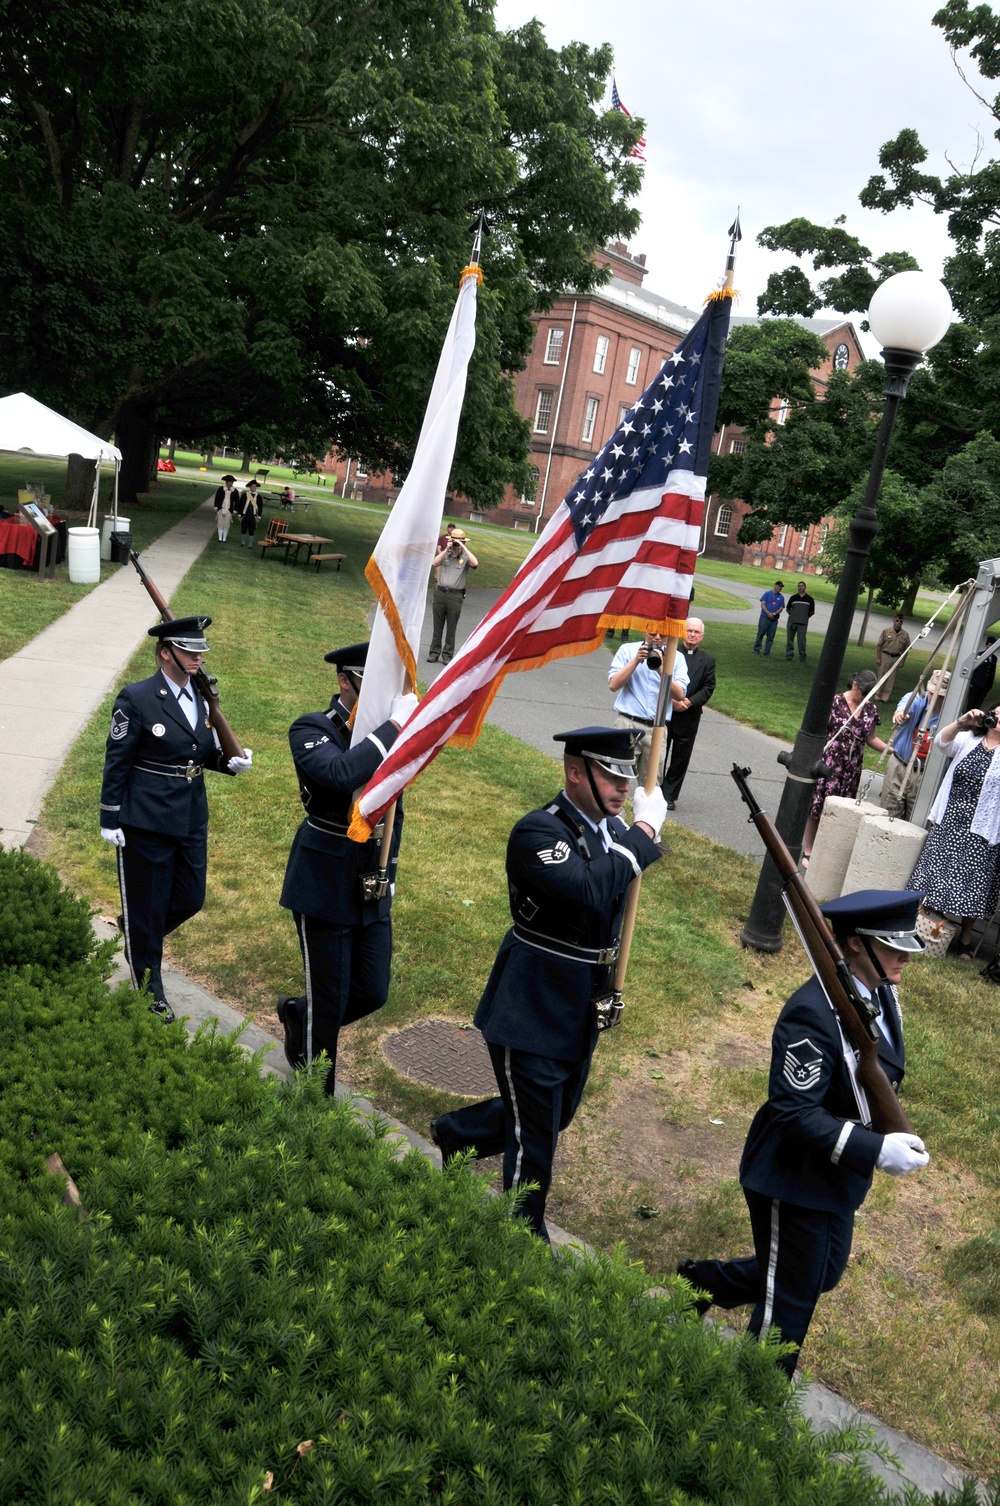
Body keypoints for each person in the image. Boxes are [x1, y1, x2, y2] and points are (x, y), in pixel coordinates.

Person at [677, 889, 929, 1379]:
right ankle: (751, 1405)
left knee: (821, 1274)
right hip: (790, 1176)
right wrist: (875, 1149)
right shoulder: (813, 1013)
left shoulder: (879, 990)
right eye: (893, 946)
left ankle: (704, 1282)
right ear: (855, 944)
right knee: (790, 1300)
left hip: (836, 1176)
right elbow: (793, 1111)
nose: (905, 956)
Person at [429, 728, 667, 1239]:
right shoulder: (538, 832)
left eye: (628, 777)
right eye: (610, 774)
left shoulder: (608, 833)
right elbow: (587, 889)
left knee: (553, 1117)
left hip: (580, 1003)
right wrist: (642, 834)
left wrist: (631, 836)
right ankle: (521, 1242)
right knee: (535, 1141)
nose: (623, 787)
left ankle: (456, 1135)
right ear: (575, 772)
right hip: (532, 1004)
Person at [277, 643, 419, 1096]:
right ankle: (317, 1101)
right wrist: (394, 726)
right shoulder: (312, 728)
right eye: (374, 682)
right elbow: (340, 774)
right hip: (325, 878)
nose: (383, 694)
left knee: (371, 990)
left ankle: (301, 1014)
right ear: (345, 680)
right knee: (330, 995)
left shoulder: (386, 736)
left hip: (372, 879)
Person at [99, 617, 253, 1021]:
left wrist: (227, 761)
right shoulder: (137, 698)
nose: (198, 657)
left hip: (189, 815)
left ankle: (138, 935)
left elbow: (197, 752)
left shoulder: (200, 698)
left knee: (190, 898)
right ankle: (151, 992)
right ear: (165, 652)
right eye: (188, 650)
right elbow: (117, 761)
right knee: (148, 904)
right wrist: (109, 816)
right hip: (146, 818)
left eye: (201, 651)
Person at [909, 706, 1000, 961]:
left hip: (983, 828)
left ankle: (965, 938)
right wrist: (962, 721)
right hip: (950, 818)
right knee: (937, 872)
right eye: (996, 713)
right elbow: (941, 742)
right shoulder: (968, 739)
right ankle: (926, 925)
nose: (998, 718)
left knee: (972, 883)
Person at [803, 670, 886, 865]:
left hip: (851, 768)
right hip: (830, 764)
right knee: (818, 805)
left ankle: (828, 849)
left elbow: (870, 738)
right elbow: (819, 731)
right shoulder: (833, 702)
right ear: (855, 685)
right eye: (865, 692)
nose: (867, 697)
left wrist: (890, 749)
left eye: (871, 693)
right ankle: (809, 850)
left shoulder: (870, 709)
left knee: (841, 808)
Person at [608, 630, 689, 787]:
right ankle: (616, 812)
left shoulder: (677, 658)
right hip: (628, 724)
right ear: (645, 631)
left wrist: (661, 668)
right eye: (653, 633)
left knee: (651, 786)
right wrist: (636, 660)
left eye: (663, 635)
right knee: (616, 780)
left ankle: (644, 812)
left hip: (656, 729)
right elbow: (613, 685)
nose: (657, 638)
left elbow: (680, 694)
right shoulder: (627, 650)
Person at [881, 670, 949, 821]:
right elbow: (905, 706)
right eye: (933, 693)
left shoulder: (950, 716)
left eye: (941, 696)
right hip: (899, 765)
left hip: (926, 773)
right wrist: (900, 713)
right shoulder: (917, 699)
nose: (935, 698)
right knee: (887, 814)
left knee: (917, 820)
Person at [661, 618, 715, 810]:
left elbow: (709, 687)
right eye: (689, 631)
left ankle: (669, 795)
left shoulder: (708, 660)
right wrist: (673, 701)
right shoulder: (670, 653)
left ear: (702, 636)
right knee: (660, 753)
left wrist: (689, 702)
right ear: (683, 632)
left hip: (689, 716)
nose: (692, 635)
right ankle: (656, 790)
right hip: (667, 712)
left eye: (696, 632)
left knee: (680, 758)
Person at [428, 528, 478, 664]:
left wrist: (462, 547)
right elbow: (434, 563)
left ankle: (447, 655)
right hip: (440, 594)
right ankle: (434, 653)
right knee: (437, 625)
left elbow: (475, 563)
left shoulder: (465, 557)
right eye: (454, 540)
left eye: (458, 541)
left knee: (451, 627)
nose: (455, 544)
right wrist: (446, 549)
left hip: (455, 597)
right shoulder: (446, 554)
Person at [875, 614, 911, 701]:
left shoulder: (905, 635)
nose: (898, 623)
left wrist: (902, 661)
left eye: (901, 621)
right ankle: (877, 694)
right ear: (894, 620)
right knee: (881, 675)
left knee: (891, 678)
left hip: (896, 658)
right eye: (897, 620)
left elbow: (907, 649)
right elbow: (879, 645)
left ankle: (885, 697)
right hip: (885, 656)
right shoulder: (886, 631)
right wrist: (878, 658)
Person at [785, 580, 816, 663]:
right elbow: (788, 609)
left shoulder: (810, 599)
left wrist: (805, 617)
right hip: (792, 622)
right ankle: (789, 655)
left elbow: (812, 612)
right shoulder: (793, 598)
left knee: (801, 641)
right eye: (799, 586)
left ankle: (802, 657)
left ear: (805, 587)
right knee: (790, 640)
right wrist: (793, 616)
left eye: (802, 586)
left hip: (802, 624)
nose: (800, 587)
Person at [753, 581, 784, 656]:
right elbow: (763, 604)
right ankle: (756, 649)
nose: (780, 588)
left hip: (774, 619)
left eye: (781, 587)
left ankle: (767, 651)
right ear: (775, 586)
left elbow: (781, 608)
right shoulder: (767, 594)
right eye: (779, 586)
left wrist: (774, 614)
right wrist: (768, 613)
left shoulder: (781, 597)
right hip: (764, 617)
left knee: (771, 636)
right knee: (761, 633)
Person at [213, 475, 240, 542]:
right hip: (221, 509)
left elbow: (237, 502)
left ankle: (224, 539)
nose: (229, 483)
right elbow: (217, 498)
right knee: (220, 524)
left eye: (231, 482)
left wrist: (235, 510)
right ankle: (220, 538)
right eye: (228, 482)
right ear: (226, 482)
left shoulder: (235, 491)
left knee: (226, 525)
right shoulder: (221, 489)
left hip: (229, 510)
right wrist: (216, 507)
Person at [239, 478, 263, 547]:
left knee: (252, 530)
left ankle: (250, 544)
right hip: (245, 515)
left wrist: (259, 517)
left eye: (255, 486)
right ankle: (243, 542)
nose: (254, 488)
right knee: (243, 529)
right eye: (253, 486)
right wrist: (239, 514)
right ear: (250, 487)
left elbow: (260, 507)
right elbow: (241, 505)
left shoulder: (258, 497)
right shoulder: (245, 495)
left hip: (253, 516)